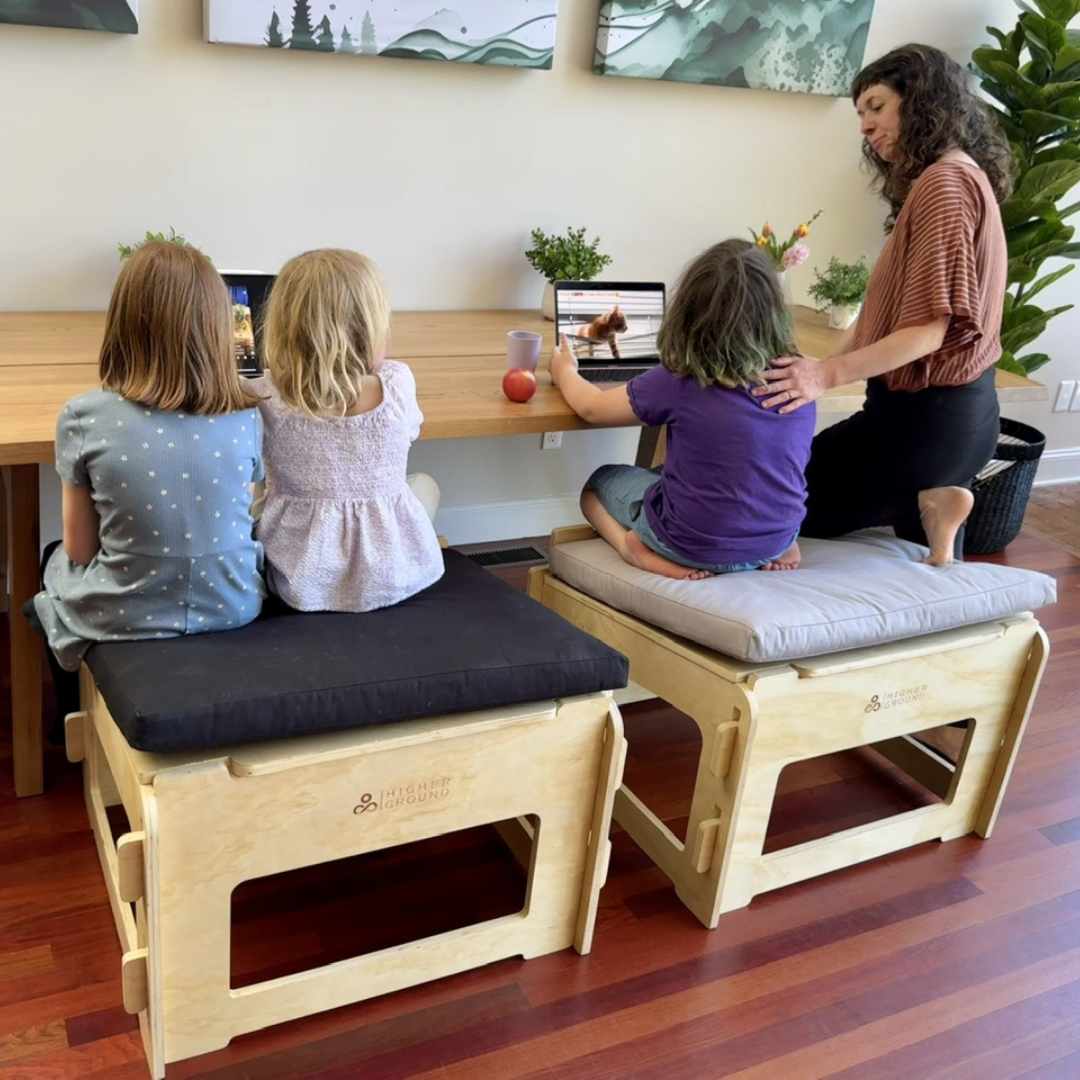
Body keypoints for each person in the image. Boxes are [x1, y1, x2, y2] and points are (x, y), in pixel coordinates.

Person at [753, 43, 1014, 566]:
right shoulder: (959, 176)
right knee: (934, 581)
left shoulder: (944, 183)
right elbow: (888, 319)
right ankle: (933, 507)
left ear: (919, 100)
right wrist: (815, 366)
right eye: (860, 114)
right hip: (956, 423)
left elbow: (926, 334)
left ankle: (923, 498)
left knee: (768, 499)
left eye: (876, 106)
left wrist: (824, 377)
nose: (866, 127)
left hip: (923, 427)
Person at [31, 241, 266, 722]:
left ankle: (64, 725)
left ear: (122, 323)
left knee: (50, 560)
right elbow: (241, 513)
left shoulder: (82, 416)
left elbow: (79, 550)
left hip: (125, 614)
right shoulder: (247, 415)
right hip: (234, 603)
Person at [550, 239, 816, 580]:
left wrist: (565, 371)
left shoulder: (683, 379)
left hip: (689, 545)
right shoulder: (800, 377)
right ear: (775, 311)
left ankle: (634, 550)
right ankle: (782, 543)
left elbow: (590, 408)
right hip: (774, 539)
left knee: (597, 484)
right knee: (707, 473)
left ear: (689, 310)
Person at [252, 248, 443, 611]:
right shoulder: (398, 383)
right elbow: (412, 431)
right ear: (372, 326)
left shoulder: (262, 395)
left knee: (262, 489)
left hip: (300, 580)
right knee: (424, 485)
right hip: (391, 576)